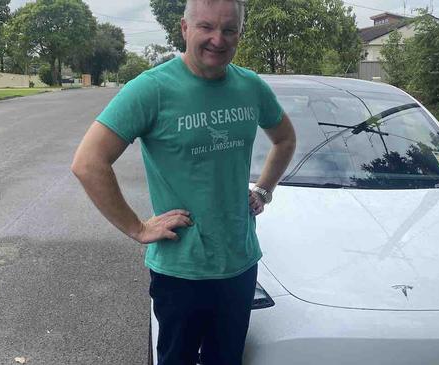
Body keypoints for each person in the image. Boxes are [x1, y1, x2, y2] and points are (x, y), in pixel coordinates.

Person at [70, 0, 296, 364]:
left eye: (229, 29)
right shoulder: (152, 89)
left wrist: (264, 190)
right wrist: (137, 228)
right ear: (184, 28)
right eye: (206, 27)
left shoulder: (250, 86)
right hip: (182, 271)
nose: (217, 40)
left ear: (240, 32)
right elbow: (88, 163)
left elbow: (285, 139)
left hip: (239, 264)